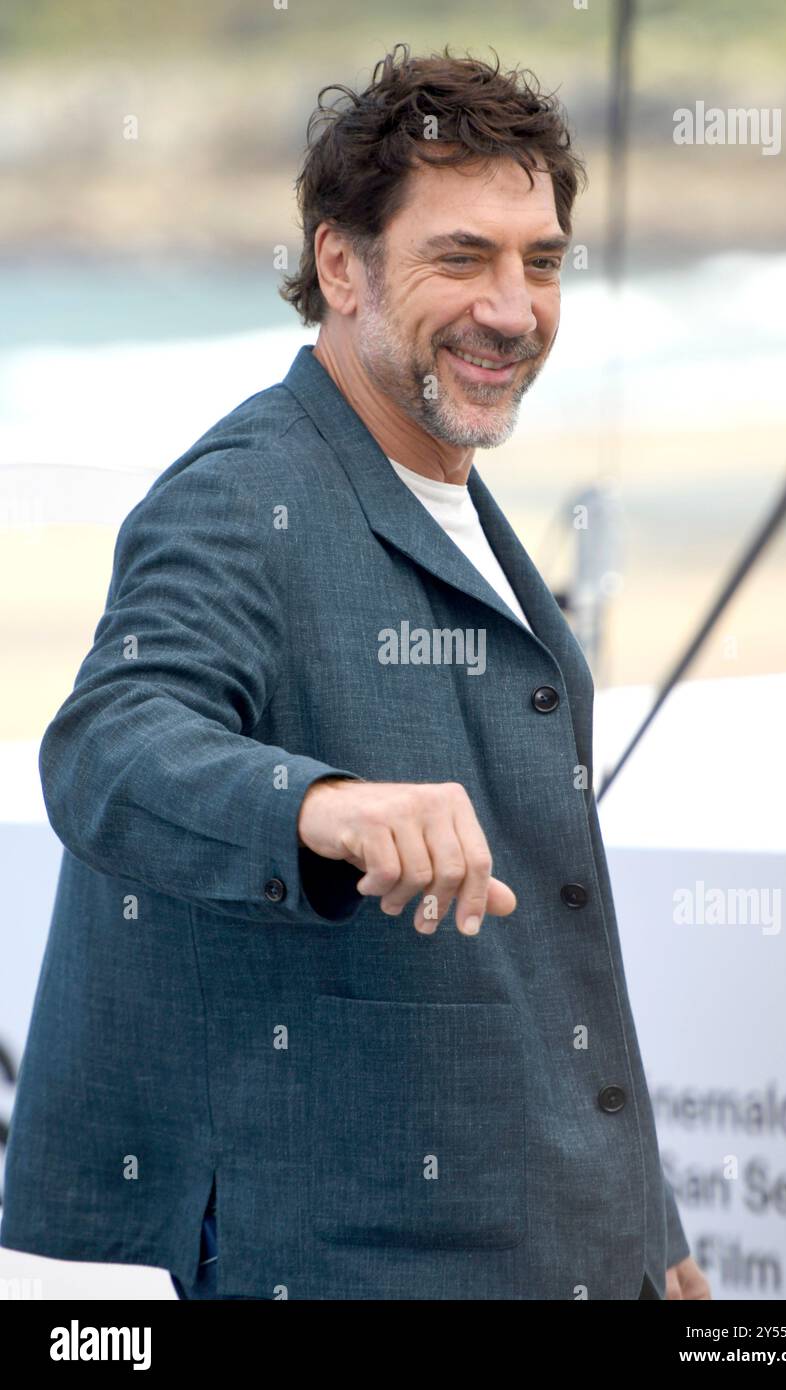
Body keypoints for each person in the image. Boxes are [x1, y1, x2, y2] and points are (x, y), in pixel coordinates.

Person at [1, 43, 709, 1301]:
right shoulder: (241, 495)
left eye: (540, 262)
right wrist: (323, 804)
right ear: (342, 265)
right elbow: (106, 742)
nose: (513, 306)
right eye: (461, 256)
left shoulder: (454, 500)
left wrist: (644, 1232)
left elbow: (555, 942)